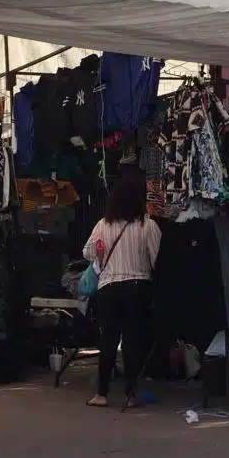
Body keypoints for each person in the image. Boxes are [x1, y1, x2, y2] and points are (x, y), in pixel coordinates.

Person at [83, 175, 161, 409]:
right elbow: (157, 259)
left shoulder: (102, 225)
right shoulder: (147, 225)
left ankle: (101, 393)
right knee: (132, 341)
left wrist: (101, 252)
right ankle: (131, 393)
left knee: (107, 340)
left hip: (108, 288)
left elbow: (87, 253)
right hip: (137, 288)